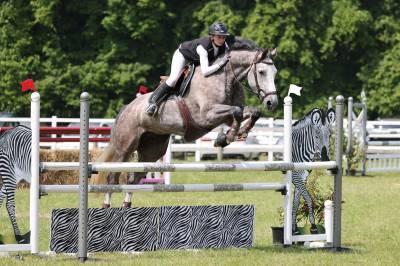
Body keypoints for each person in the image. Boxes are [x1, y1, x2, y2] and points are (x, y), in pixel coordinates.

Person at [145, 22, 232, 115]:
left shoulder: (225, 46)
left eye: (223, 37)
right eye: (219, 37)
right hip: (183, 56)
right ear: (212, 36)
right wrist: (221, 64)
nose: (222, 40)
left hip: (197, 60)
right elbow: (206, 71)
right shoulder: (203, 48)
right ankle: (152, 102)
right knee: (173, 78)